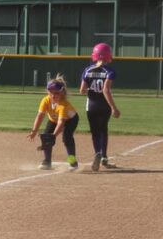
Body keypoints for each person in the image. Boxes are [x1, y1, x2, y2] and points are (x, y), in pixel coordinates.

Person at [79, 42, 121, 171]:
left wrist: (91, 88)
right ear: (108, 56)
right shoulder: (110, 71)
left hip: (91, 106)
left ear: (95, 55)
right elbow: (106, 90)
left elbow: (82, 90)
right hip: (104, 106)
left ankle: (97, 152)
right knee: (103, 130)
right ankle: (104, 157)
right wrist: (114, 108)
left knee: (95, 132)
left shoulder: (87, 70)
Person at [27, 74, 80, 171]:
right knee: (46, 137)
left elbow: (61, 123)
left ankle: (73, 162)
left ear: (62, 92)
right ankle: (47, 161)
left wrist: (54, 136)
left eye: (56, 93)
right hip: (53, 119)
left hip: (70, 120)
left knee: (67, 138)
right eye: (50, 92)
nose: (53, 95)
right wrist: (34, 131)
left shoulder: (64, 105)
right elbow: (40, 116)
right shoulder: (45, 100)